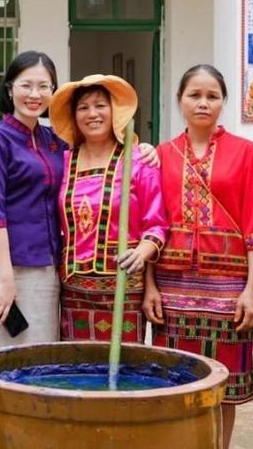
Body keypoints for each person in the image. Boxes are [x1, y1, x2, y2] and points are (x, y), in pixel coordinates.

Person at [143, 64, 253, 449]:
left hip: (228, 287)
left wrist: (251, 290)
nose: (203, 103)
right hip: (172, 285)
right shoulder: (161, 154)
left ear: (223, 102)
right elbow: (152, 223)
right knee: (174, 380)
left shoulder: (246, 153)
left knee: (222, 385)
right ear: (179, 100)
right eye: (194, 95)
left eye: (212, 96)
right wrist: (149, 287)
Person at [50, 74, 167, 342]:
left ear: (115, 111)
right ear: (74, 116)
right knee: (78, 370)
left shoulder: (138, 160)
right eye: (83, 107)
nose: (92, 113)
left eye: (100, 105)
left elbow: (157, 225)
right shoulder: (63, 161)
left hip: (125, 287)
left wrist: (141, 252)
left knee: (124, 372)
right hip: (73, 290)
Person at [0, 51, 66, 358]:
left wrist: (140, 147)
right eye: (26, 85)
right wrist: (6, 280)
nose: (34, 94)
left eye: (44, 86)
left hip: (44, 268)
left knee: (39, 363)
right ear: (10, 90)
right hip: (1, 270)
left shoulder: (53, 140)